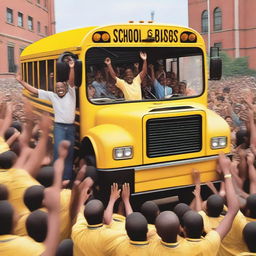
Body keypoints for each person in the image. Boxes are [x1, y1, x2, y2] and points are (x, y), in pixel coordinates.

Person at [16, 58, 76, 180]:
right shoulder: (52, 96)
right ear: (55, 89)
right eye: (57, 87)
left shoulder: (71, 93)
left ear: (66, 87)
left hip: (71, 128)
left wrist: (71, 67)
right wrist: (21, 82)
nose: (59, 89)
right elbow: (34, 90)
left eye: (61, 87)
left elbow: (71, 81)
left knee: (69, 154)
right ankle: (55, 178)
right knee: (58, 153)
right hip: (59, 127)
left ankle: (67, 179)